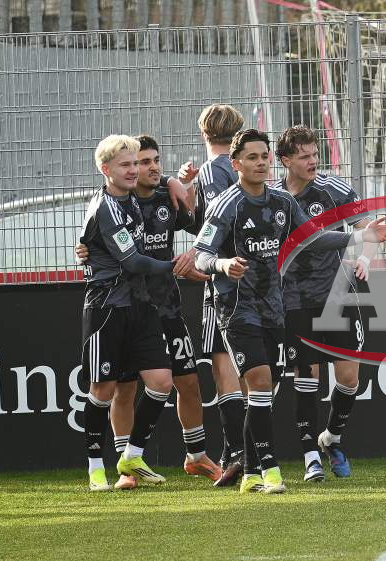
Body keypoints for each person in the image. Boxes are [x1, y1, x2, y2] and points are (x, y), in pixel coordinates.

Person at [193, 129, 386, 494]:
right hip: (245, 307)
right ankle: (278, 466)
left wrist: (361, 239)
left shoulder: (285, 201)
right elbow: (201, 254)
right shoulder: (226, 204)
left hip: (285, 307)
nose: (261, 163)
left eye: (263, 156)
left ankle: (254, 467)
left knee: (276, 385)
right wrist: (222, 265)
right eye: (252, 157)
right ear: (236, 164)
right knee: (265, 381)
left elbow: (312, 238)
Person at [105, 134, 221, 488]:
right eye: (144, 162)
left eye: (156, 160)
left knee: (189, 382)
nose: (153, 167)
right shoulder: (115, 204)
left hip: (168, 307)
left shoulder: (165, 197)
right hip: (129, 309)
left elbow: (201, 225)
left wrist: (180, 185)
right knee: (125, 389)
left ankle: (196, 456)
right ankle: (127, 467)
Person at [273, 125, 375, 483]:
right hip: (294, 299)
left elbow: (368, 227)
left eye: (315, 154)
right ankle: (310, 456)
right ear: (285, 160)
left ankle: (331, 438)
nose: (313, 161)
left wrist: (364, 259)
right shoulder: (273, 198)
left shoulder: (334, 189)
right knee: (307, 376)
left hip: (337, 294)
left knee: (349, 378)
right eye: (304, 156)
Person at [78, 135, 177, 491]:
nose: (134, 170)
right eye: (126, 165)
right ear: (106, 170)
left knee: (161, 382)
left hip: (140, 304)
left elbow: (157, 178)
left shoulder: (131, 194)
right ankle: (95, 467)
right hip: (107, 308)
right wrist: (175, 266)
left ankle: (132, 455)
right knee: (103, 388)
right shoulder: (105, 208)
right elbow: (133, 261)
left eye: (136, 163)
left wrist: (174, 180)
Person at [182, 104, 249, 487]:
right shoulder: (243, 169)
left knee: (223, 365)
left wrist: (202, 257)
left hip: (224, 279)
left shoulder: (211, 170)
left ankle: (239, 452)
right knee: (249, 367)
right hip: (254, 276)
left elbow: (214, 224)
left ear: (203, 133)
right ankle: (241, 452)